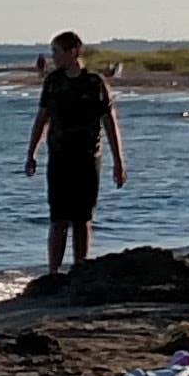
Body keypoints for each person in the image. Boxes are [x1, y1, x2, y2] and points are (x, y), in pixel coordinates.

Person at [20, 31, 131, 276]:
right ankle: (53, 273)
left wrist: (118, 162)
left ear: (73, 52)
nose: (53, 57)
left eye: (57, 52)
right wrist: (31, 153)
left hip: (88, 157)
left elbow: (110, 122)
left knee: (82, 218)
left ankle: (81, 269)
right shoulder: (53, 82)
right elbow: (42, 119)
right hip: (59, 158)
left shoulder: (94, 83)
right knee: (58, 218)